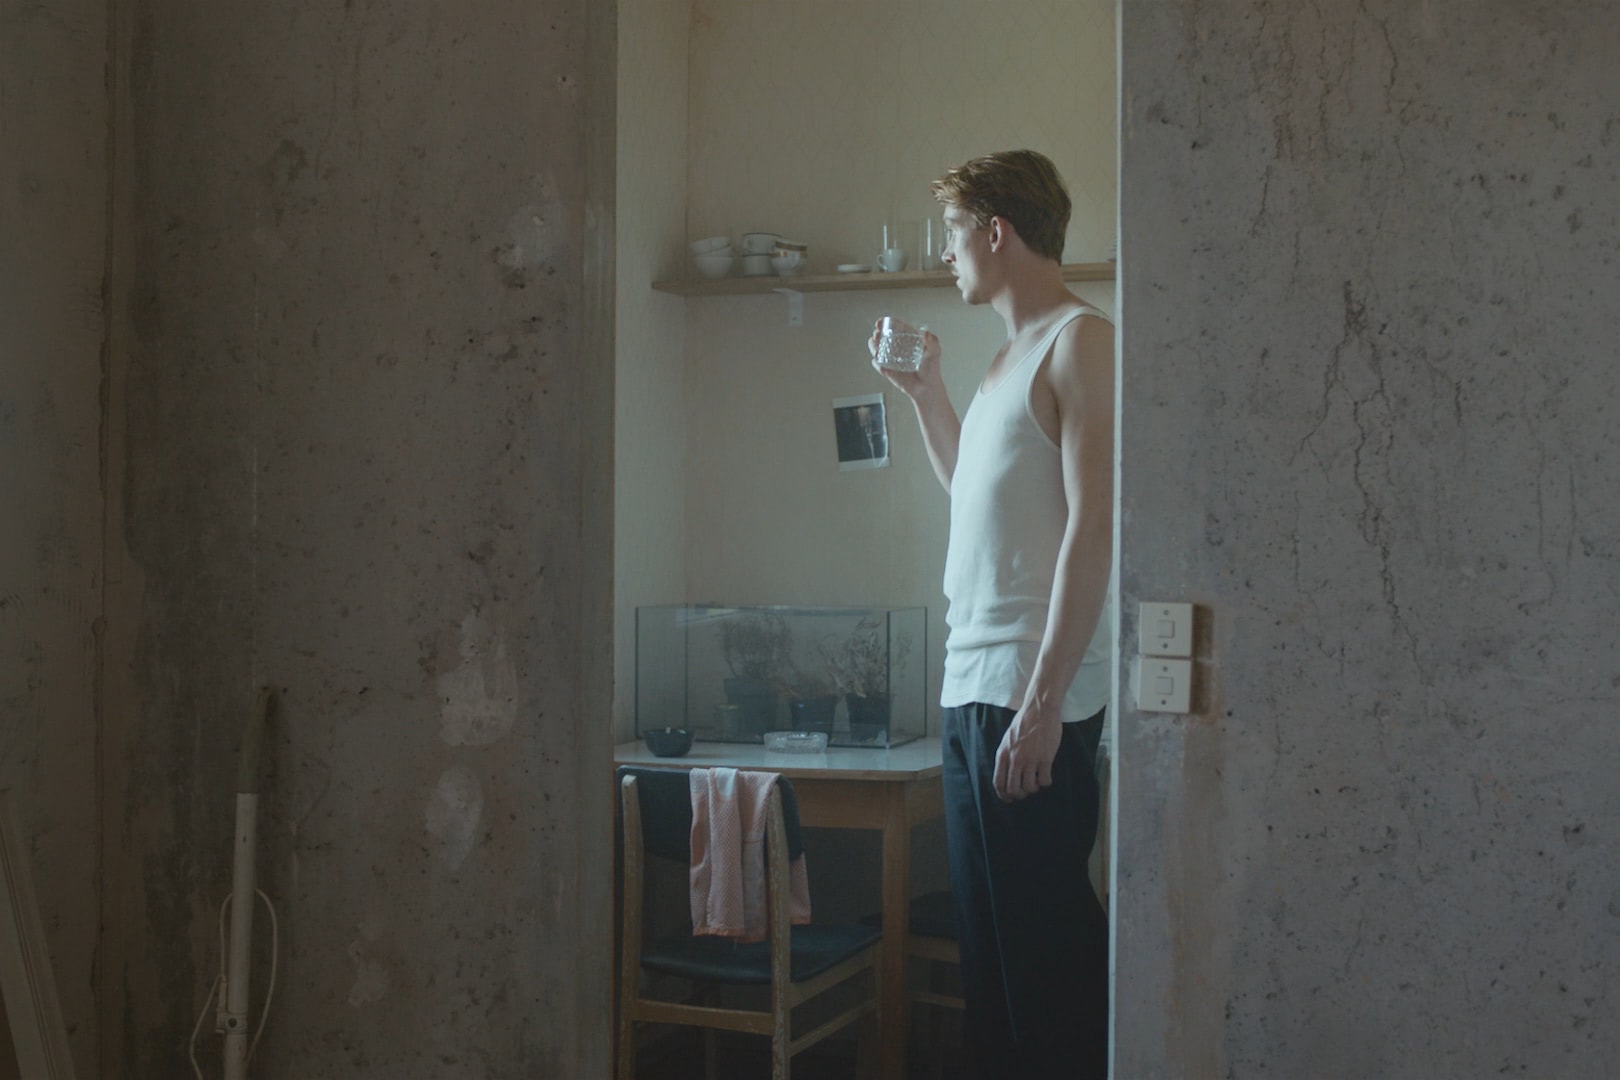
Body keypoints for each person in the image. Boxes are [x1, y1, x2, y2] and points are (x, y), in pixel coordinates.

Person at [871, 149, 1113, 1079]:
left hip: (1027, 694)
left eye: (953, 234)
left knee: (1044, 961)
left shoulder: (1080, 341)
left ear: (995, 231)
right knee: (993, 966)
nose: (949, 256)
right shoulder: (1006, 356)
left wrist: (1046, 702)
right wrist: (927, 392)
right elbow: (975, 496)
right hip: (971, 689)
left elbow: (1092, 531)